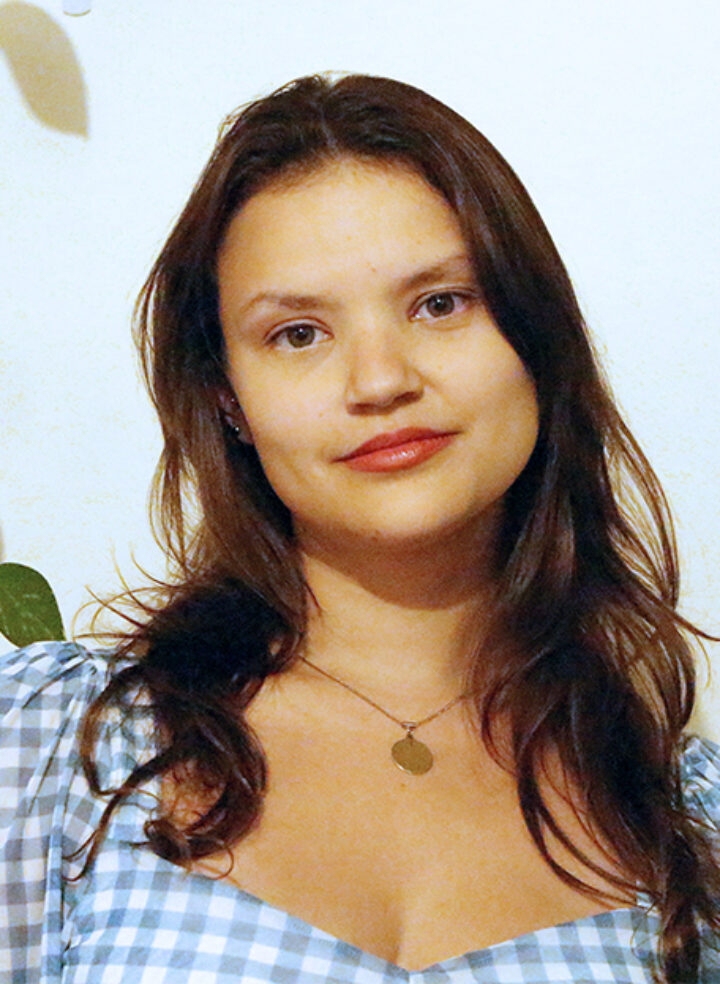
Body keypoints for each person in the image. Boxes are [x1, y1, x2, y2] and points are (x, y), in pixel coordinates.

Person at [1, 73, 719, 984]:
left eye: (440, 303)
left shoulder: (684, 819)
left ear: (535, 337)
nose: (380, 380)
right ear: (228, 399)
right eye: (299, 334)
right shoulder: (52, 747)